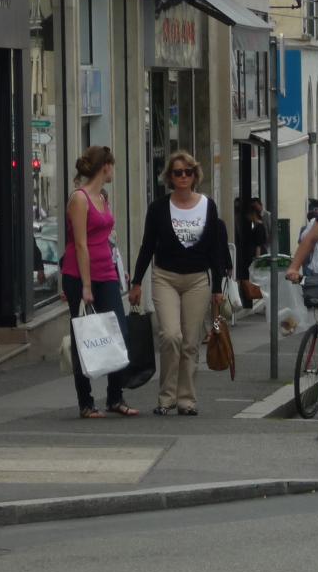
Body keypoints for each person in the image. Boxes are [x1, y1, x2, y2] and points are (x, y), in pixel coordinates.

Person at [129, 151, 227, 416]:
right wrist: (136, 281)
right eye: (177, 173)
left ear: (195, 175)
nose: (183, 177)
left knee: (191, 342)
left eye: (188, 172)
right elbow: (147, 246)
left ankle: (186, 399)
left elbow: (216, 250)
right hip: (165, 277)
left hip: (198, 279)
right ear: (169, 177)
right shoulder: (158, 208)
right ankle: (166, 397)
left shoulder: (208, 205)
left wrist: (218, 288)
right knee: (171, 335)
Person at [61, 147, 136, 419]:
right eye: (112, 165)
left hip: (107, 271)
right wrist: (86, 285)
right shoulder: (79, 199)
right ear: (105, 166)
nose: (113, 170)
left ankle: (115, 397)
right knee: (85, 335)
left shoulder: (103, 197)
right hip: (81, 274)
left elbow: (108, 238)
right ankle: (86, 402)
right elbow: (80, 244)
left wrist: (120, 268)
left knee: (119, 333)